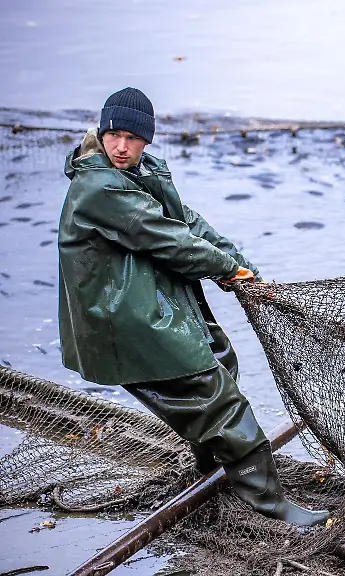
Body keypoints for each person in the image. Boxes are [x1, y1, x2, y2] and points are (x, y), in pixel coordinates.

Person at [57, 87, 329, 527]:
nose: (121, 146)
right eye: (114, 135)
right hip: (119, 316)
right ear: (102, 133)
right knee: (216, 397)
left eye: (132, 137)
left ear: (147, 140)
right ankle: (272, 506)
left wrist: (241, 266)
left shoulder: (143, 169)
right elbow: (168, 239)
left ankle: (208, 465)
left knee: (222, 358)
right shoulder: (98, 186)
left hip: (153, 294)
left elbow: (186, 222)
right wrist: (226, 270)